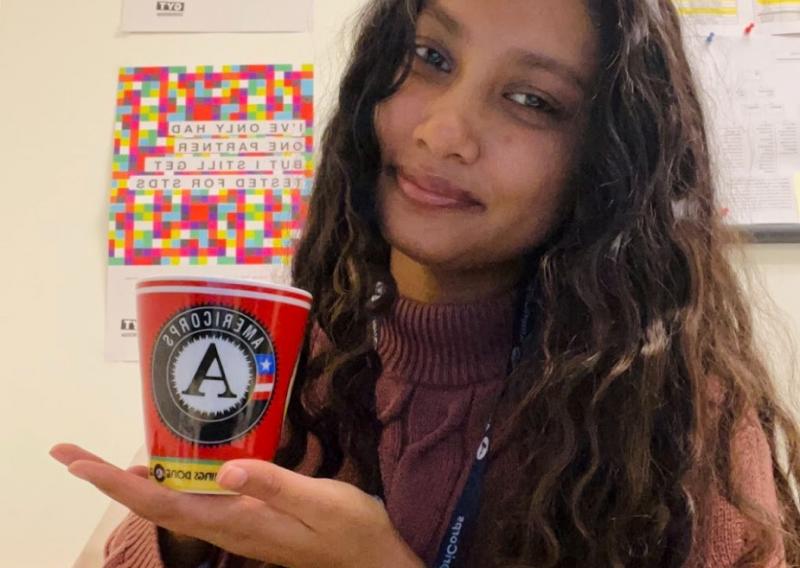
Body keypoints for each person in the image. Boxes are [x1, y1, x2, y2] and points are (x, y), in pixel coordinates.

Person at [51, 0, 800, 566]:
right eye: (430, 57)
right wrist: (185, 534)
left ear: (602, 164)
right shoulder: (301, 363)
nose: (443, 132)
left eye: (531, 100)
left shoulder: (675, 423)